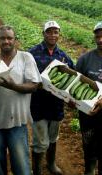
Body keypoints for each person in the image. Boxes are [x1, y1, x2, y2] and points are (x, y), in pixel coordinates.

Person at [0, 25, 41, 175]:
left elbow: (34, 85)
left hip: (17, 122)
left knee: (22, 167)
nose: (6, 41)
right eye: (2, 38)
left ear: (15, 40)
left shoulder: (25, 57)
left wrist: (13, 86)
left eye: (9, 38)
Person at [29, 21, 74, 175]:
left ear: (59, 34)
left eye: (56, 32)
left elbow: (73, 78)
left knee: (53, 138)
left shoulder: (64, 57)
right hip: (38, 105)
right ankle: (37, 169)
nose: (53, 35)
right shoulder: (32, 54)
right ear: (44, 33)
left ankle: (51, 164)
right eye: (49, 32)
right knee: (40, 142)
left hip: (56, 105)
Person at [76, 21, 102, 175]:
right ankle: (89, 171)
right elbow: (75, 84)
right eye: (97, 36)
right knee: (89, 148)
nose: (100, 40)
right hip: (88, 114)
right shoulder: (85, 59)